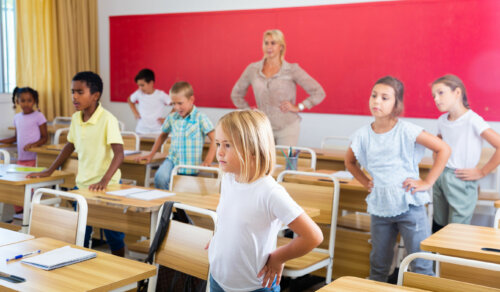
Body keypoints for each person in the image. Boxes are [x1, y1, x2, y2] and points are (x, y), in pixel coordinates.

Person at [344, 76, 450, 282]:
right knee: (378, 263)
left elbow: (443, 149)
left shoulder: (406, 130)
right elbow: (349, 162)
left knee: (421, 262)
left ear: (396, 103)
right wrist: (366, 182)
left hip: (409, 205)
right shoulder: (362, 135)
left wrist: (427, 183)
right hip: (380, 207)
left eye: (385, 98)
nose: (376, 101)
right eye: (374, 96)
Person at [208, 110, 323, 292]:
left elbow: (313, 236)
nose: (219, 152)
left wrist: (278, 258)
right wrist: (220, 239)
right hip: (218, 280)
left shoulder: (270, 192)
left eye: (227, 145)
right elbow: (230, 217)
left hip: (255, 287)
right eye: (217, 144)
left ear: (252, 149)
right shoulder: (229, 178)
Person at [28, 71, 126, 256]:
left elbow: (119, 154)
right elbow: (70, 145)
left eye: (80, 92)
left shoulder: (107, 120)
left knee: (114, 235)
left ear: (95, 96)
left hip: (109, 187)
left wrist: (104, 181)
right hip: (83, 186)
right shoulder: (76, 119)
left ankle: (127, 274)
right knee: (80, 233)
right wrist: (49, 170)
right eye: (73, 91)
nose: (74, 96)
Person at [231, 29, 325, 146]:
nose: (269, 47)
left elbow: (318, 92)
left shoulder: (292, 69)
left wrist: (299, 106)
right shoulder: (252, 69)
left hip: (287, 128)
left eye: (273, 43)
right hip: (262, 128)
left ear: (281, 46)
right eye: (266, 43)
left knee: (284, 163)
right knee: (264, 163)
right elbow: (236, 94)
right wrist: (248, 111)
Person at [431, 74, 500, 232]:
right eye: (433, 95)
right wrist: (437, 165)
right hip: (441, 176)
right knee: (438, 224)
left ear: (457, 93)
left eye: (441, 93)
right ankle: (436, 257)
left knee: (456, 228)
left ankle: (448, 256)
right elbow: (438, 144)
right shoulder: (442, 120)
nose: (436, 99)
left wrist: (482, 172)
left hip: (460, 178)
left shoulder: (472, 120)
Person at [137, 81, 216, 190]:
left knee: (182, 190)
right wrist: (151, 154)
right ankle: (166, 204)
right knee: (160, 177)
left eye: (180, 103)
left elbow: (215, 139)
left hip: (190, 166)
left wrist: (208, 161)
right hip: (172, 160)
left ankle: (175, 205)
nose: (177, 107)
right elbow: (162, 136)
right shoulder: (172, 117)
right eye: (173, 104)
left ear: (191, 100)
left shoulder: (200, 117)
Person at [0, 87, 48, 167]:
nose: (26, 104)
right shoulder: (17, 117)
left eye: (29, 100)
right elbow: (15, 138)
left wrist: (33, 144)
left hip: (36, 159)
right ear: (17, 102)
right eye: (23, 101)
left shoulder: (39, 116)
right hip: (21, 159)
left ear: (34, 101)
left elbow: (45, 137)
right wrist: (1, 141)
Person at [127, 68, 171, 134]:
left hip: (157, 131)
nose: (140, 88)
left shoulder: (160, 95)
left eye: (142, 85)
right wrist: (135, 112)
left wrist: (167, 119)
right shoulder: (138, 93)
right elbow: (129, 100)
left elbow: (176, 106)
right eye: (138, 85)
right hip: (141, 130)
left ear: (151, 83)